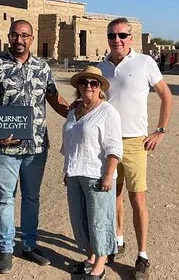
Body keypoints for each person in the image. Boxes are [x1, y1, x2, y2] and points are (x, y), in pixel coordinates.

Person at [0, 19, 71, 274]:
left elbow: (53, 98)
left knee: (31, 198)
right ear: (9, 36)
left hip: (36, 146)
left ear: (31, 38)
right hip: (5, 148)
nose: (19, 40)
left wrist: (78, 113)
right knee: (5, 199)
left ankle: (29, 245)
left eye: (24, 36)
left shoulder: (42, 67)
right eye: (15, 35)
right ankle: (6, 249)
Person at [97, 18, 173, 280]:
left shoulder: (145, 63)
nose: (117, 40)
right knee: (113, 196)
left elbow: (166, 96)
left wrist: (160, 130)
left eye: (122, 35)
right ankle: (117, 239)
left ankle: (142, 255)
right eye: (112, 35)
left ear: (131, 38)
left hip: (134, 142)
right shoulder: (101, 67)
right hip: (107, 142)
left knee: (137, 199)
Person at [62, 66, 122, 280]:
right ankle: (91, 256)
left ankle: (100, 266)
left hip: (97, 174)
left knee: (99, 221)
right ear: (78, 86)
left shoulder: (107, 112)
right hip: (75, 172)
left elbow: (114, 147)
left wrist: (108, 175)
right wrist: (67, 170)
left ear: (100, 88)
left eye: (93, 83)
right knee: (79, 220)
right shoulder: (73, 112)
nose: (88, 86)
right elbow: (69, 144)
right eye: (84, 82)